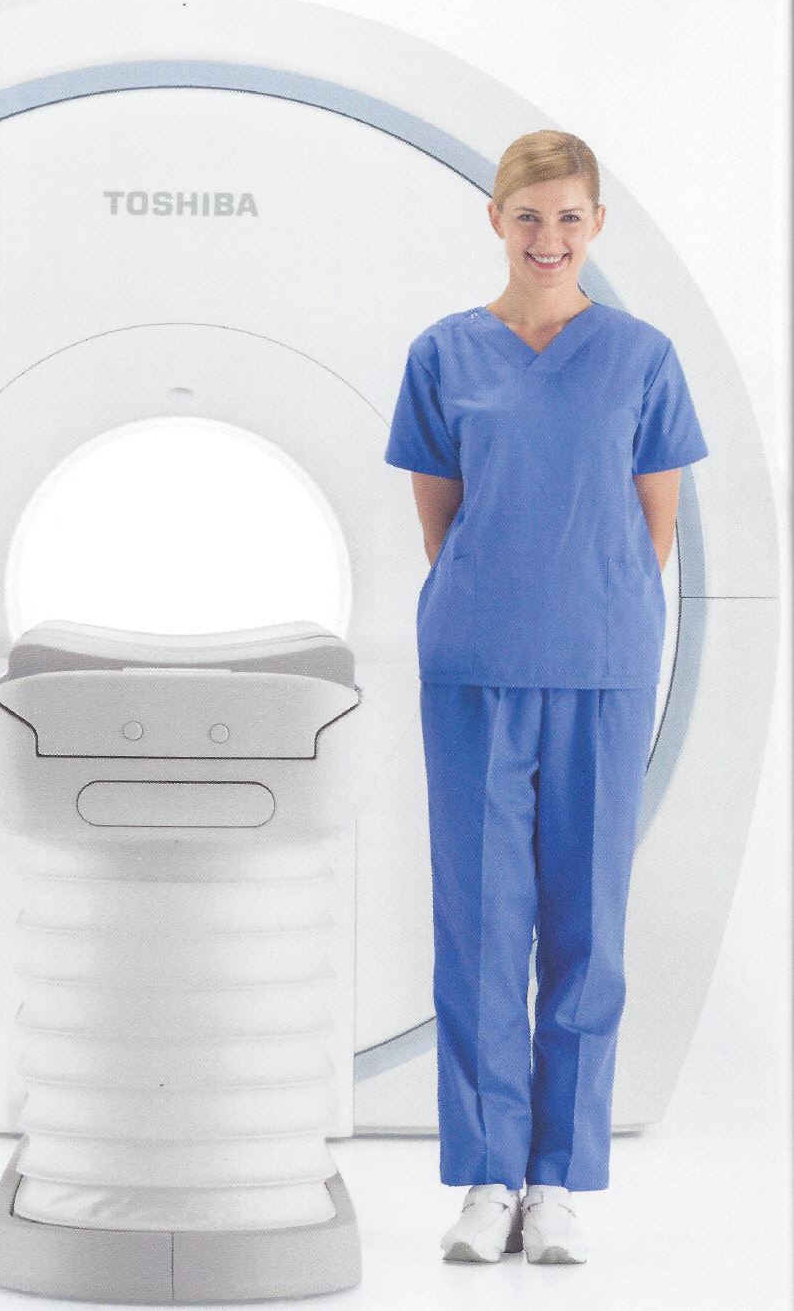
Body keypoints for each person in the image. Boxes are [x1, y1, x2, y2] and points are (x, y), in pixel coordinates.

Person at [384, 130, 707, 1266]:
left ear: (596, 224)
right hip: (474, 663)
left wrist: (591, 606)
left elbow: (654, 523)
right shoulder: (442, 354)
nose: (549, 237)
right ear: (496, 219)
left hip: (602, 665)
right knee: (478, 929)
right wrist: (504, 597)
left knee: (586, 931)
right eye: (529, 216)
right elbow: (441, 522)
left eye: (570, 217)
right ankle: (488, 1180)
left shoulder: (642, 356)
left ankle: (556, 1181)